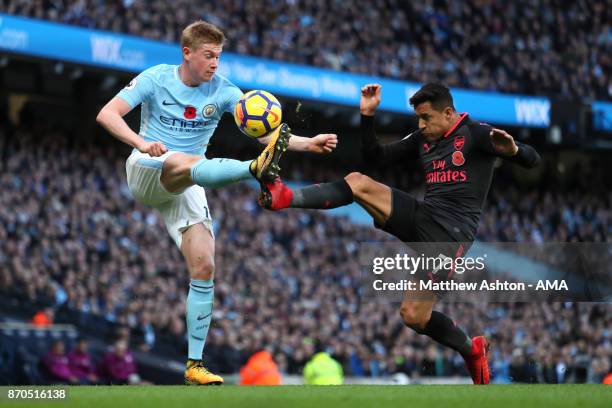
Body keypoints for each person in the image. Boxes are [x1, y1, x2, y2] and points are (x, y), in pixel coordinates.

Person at [96, 20, 337, 385]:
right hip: (148, 168)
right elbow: (107, 114)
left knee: (205, 264)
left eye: (218, 57)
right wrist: (141, 143)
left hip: (190, 180)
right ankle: (250, 171)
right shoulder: (155, 79)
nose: (214, 64)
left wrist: (309, 142)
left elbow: (266, 134)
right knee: (182, 161)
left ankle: (194, 364)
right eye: (208, 56)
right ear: (187, 53)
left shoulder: (224, 91)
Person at [259, 83, 541, 384]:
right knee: (358, 182)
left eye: (426, 117)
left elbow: (532, 158)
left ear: (448, 113)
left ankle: (471, 349)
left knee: (412, 315)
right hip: (424, 215)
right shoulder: (423, 138)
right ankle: (284, 197)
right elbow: (375, 158)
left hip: (450, 235)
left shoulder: (476, 134)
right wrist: (367, 116)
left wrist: (514, 150)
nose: (420, 125)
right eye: (418, 118)